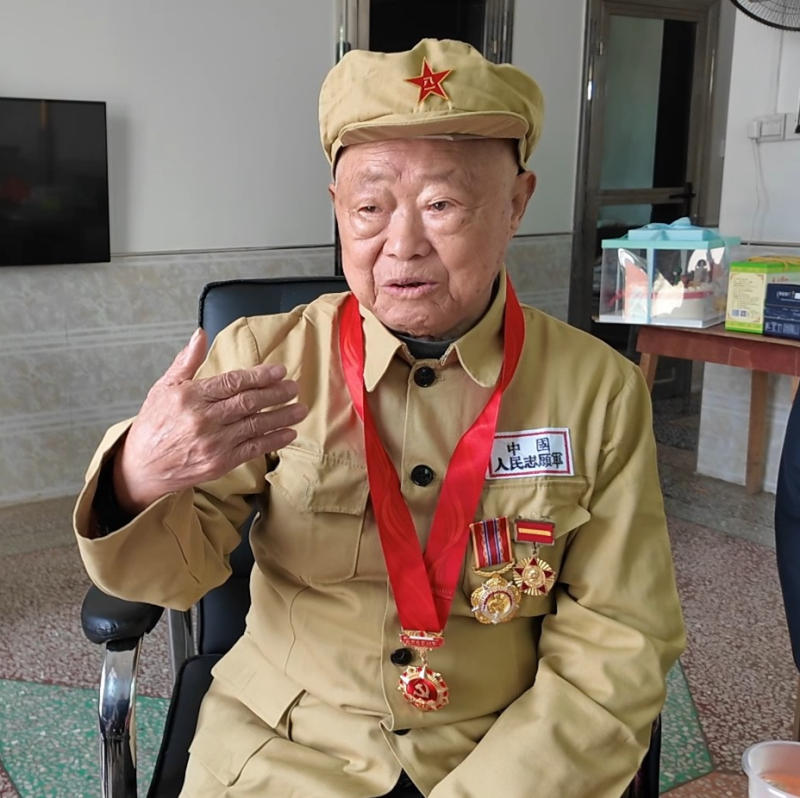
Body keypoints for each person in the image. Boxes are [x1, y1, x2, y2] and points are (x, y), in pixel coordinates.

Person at [74, 38, 685, 798]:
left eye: (442, 205)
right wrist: (135, 481)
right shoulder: (265, 359)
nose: (402, 245)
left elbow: (620, 638)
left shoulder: (599, 391)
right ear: (337, 207)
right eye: (369, 207)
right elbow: (171, 576)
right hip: (284, 746)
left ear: (516, 205)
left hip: (499, 747)